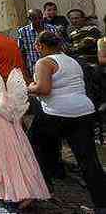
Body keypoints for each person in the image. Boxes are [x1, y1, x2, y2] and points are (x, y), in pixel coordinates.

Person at [27, 31, 106, 211]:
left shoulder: (44, 62)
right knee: (88, 159)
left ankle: (43, 187)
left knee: (33, 145)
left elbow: (44, 89)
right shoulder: (72, 60)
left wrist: (29, 87)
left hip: (56, 112)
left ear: (40, 46)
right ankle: (101, 203)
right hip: (84, 111)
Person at [0, 67, 50, 209]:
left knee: (4, 162)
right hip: (16, 132)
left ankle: (14, 194)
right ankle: (29, 191)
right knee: (21, 161)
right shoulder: (8, 96)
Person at [18, 9, 60, 77]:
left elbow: (58, 47)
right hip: (34, 67)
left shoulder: (52, 29)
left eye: (40, 18)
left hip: (52, 64)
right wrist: (25, 70)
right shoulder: (23, 32)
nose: (38, 20)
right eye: (34, 18)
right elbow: (22, 52)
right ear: (29, 19)